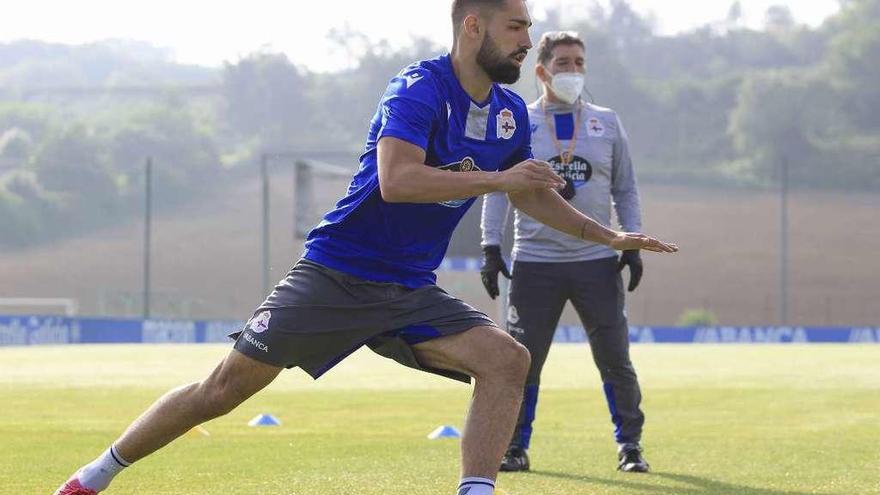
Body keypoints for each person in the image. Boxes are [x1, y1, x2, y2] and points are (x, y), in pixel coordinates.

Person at [54, 3, 676, 494]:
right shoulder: (417, 89)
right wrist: (498, 179)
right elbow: (398, 181)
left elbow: (533, 197)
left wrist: (610, 236)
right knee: (221, 391)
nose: (525, 38)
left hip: (407, 291)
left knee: (507, 361)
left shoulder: (511, 112)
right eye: (516, 26)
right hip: (335, 274)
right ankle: (93, 477)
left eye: (529, 26)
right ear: (472, 26)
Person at [480, 31, 652, 474]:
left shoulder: (606, 122)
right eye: (563, 63)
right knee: (522, 361)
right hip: (536, 263)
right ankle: (515, 445)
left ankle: (630, 446)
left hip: (596, 262)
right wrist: (490, 244)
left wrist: (632, 242)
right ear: (541, 71)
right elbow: (499, 189)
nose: (573, 71)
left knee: (615, 358)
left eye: (579, 62)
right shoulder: (517, 120)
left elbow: (625, 187)